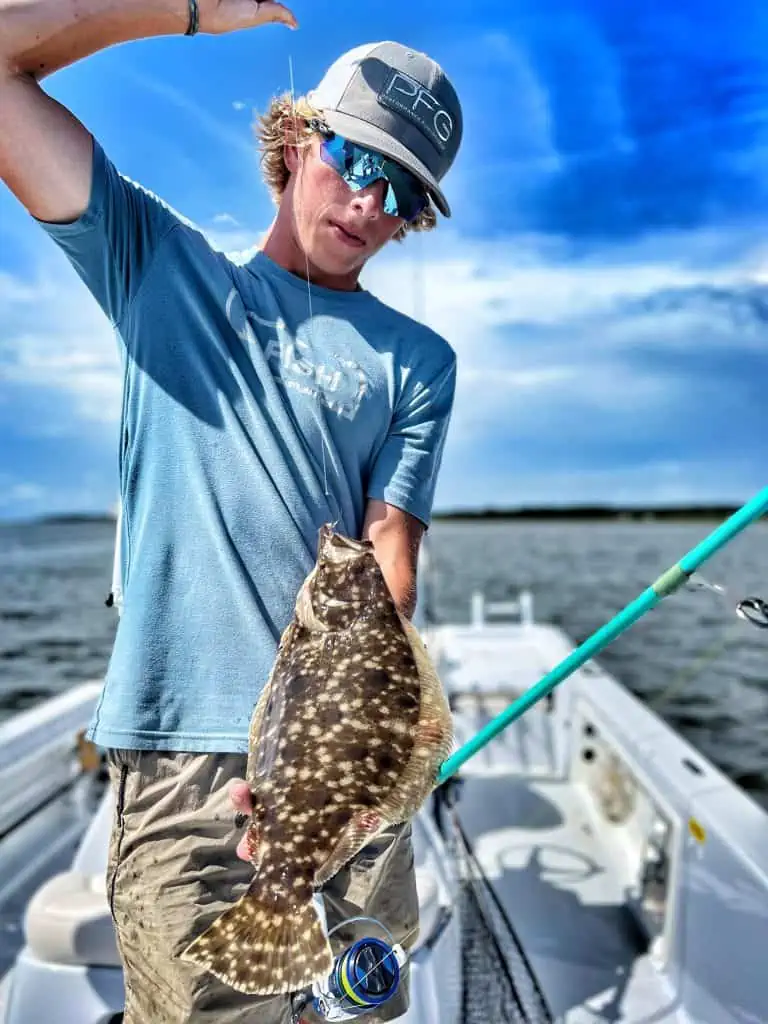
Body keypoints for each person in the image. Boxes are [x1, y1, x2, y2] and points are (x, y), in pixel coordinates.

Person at [0, 2, 462, 1021]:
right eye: (357, 158)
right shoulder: (160, 274)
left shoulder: (419, 363)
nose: (370, 203)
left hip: (344, 769)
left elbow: (391, 550)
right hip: (184, 751)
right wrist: (186, 10)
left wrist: (347, 759)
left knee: (363, 1009)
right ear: (300, 139)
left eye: (404, 192)